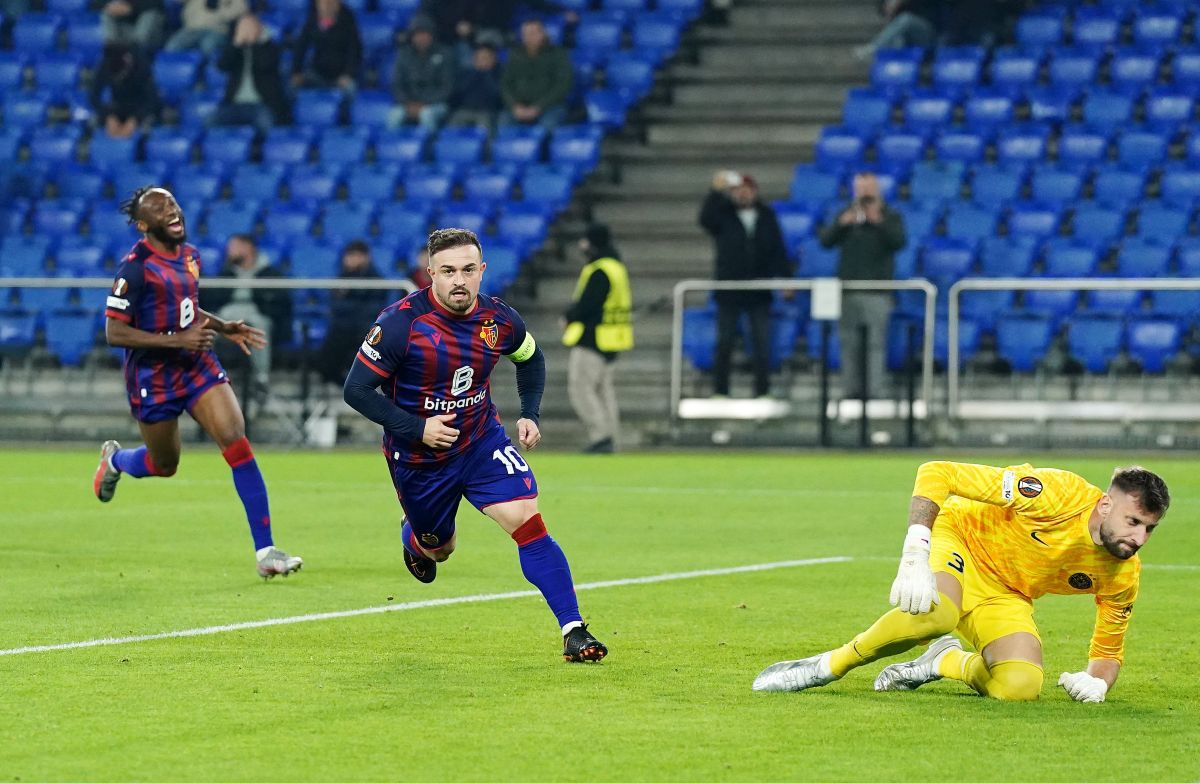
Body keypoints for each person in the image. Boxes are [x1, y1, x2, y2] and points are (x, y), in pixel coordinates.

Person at [342, 228, 608, 663]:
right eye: (447, 271)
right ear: (430, 274)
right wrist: (417, 428)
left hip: (481, 441)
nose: (459, 280)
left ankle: (573, 630)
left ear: (482, 271)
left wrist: (530, 413)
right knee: (440, 548)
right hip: (418, 457)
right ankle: (413, 536)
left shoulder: (500, 320)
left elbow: (531, 359)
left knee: (528, 521)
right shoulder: (399, 325)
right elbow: (356, 390)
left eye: (468, 270)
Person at [753, 461, 1170, 703]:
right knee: (937, 614)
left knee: (1020, 687)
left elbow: (1108, 651)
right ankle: (827, 666)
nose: (1138, 538)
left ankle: (941, 661)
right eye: (1132, 522)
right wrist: (916, 547)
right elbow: (937, 472)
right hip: (962, 540)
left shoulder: (1122, 573)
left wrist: (1098, 682)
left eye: (1149, 529)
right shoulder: (1055, 494)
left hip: (1006, 592)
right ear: (1105, 504)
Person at [92, 187, 303, 579]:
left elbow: (184, 306)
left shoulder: (190, 256)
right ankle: (116, 461)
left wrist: (223, 326)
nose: (172, 212)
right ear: (143, 225)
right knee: (164, 464)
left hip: (196, 365)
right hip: (153, 376)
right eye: (160, 209)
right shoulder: (134, 268)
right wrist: (176, 340)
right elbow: (114, 333)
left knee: (236, 440)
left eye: (172, 204)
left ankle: (267, 550)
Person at [698, 170, 791, 398]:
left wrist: (786, 279)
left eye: (746, 190)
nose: (743, 194)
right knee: (724, 342)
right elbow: (705, 220)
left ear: (754, 191)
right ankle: (720, 390)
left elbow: (777, 250)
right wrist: (715, 192)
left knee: (761, 343)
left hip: (759, 289)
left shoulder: (767, 216)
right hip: (729, 288)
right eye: (738, 190)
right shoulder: (723, 215)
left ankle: (762, 390)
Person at [817, 172, 906, 400]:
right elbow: (826, 241)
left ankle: (874, 393)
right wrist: (841, 224)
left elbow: (899, 242)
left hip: (877, 292)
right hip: (847, 291)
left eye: (868, 189)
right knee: (849, 344)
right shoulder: (846, 214)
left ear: (877, 189)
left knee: (875, 344)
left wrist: (879, 223)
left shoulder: (890, 215)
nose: (864, 194)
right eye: (860, 189)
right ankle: (851, 392)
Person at [562, 223, 633, 454]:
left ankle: (601, 436)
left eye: (585, 241)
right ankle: (612, 436)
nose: (582, 245)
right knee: (604, 391)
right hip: (612, 338)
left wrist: (569, 316)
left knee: (581, 389)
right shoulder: (616, 267)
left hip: (593, 337)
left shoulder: (599, 269)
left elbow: (588, 304)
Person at [202, 233, 293, 391]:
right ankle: (205, 375)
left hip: (257, 314)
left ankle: (261, 378)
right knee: (207, 325)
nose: (229, 251)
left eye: (234, 247)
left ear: (248, 248)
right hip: (228, 313)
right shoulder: (226, 272)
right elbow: (213, 298)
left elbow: (281, 303)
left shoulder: (270, 273)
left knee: (259, 327)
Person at [314, 240, 386, 387]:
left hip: (367, 324)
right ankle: (334, 379)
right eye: (349, 255)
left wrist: (348, 304)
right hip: (344, 324)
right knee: (336, 335)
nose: (351, 259)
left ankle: (349, 381)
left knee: (350, 333)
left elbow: (374, 308)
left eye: (356, 255)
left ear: (365, 257)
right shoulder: (342, 277)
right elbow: (334, 305)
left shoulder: (376, 279)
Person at [211, 13, 291, 134]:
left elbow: (264, 64)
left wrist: (256, 41)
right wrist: (236, 43)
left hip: (261, 104)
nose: (246, 30)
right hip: (234, 104)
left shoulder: (270, 46)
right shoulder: (236, 48)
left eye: (249, 26)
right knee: (211, 121)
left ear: (259, 27)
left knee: (266, 123)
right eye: (243, 27)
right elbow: (222, 66)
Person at [499, 18, 571, 130]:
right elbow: (505, 84)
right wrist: (514, 105)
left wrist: (539, 107)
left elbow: (562, 85)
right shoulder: (515, 55)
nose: (528, 37)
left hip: (549, 107)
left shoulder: (558, 54)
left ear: (542, 34)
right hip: (519, 106)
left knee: (547, 127)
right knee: (503, 125)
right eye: (525, 34)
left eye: (533, 33)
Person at [389, 14, 455, 132]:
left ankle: (429, 147)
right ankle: (391, 149)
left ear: (432, 35)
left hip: (435, 104)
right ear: (412, 36)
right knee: (394, 116)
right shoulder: (404, 55)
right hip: (408, 104)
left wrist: (424, 103)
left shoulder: (445, 54)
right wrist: (407, 103)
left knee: (427, 115)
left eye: (425, 33)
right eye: (418, 34)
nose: (421, 38)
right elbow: (397, 84)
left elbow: (447, 88)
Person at [91, 42, 161, 139]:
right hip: (116, 107)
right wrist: (108, 116)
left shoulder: (142, 66)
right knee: (96, 124)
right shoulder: (105, 63)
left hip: (140, 107)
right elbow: (94, 96)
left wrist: (135, 119)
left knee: (147, 126)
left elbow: (152, 100)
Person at [291, 0, 362, 93]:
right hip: (317, 72)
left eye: (331, 3)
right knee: (293, 87)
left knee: (350, 90)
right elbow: (301, 45)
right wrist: (296, 71)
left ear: (338, 3)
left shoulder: (348, 19)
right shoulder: (313, 17)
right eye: (323, 3)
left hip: (341, 74)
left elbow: (355, 50)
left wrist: (348, 74)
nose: (327, 7)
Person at [854, 0, 939, 61]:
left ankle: (874, 48)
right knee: (897, 40)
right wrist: (888, 6)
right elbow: (883, 12)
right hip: (904, 36)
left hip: (928, 33)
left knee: (906, 19)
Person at [445, 42, 503, 131]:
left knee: (484, 128)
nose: (482, 61)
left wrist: (487, 74)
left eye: (486, 58)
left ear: (493, 59)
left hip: (486, 112)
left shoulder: (499, 74)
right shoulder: (465, 74)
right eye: (479, 58)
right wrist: (476, 74)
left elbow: (497, 96)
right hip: (464, 110)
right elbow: (456, 94)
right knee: (452, 129)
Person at [164, 0, 247, 56]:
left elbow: (242, 9)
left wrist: (222, 11)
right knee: (172, 46)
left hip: (217, 30)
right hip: (192, 28)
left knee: (208, 46)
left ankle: (204, 80)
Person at [100, 0, 166, 51]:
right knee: (107, 13)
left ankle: (136, 52)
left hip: (148, 30)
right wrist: (109, 6)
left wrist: (131, 8)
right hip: (125, 27)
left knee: (150, 15)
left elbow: (157, 4)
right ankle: (112, 49)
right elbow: (94, 4)